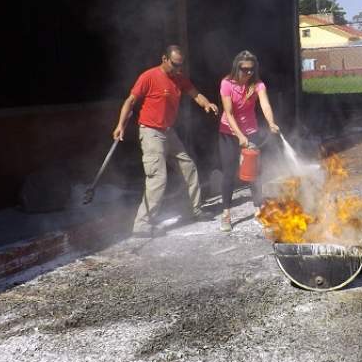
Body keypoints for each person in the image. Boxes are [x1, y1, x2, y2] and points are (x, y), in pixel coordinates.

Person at [113, 45, 219, 237]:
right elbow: (130, 101)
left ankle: (193, 210)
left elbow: (195, 94)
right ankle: (142, 224)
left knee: (189, 167)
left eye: (181, 65)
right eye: (175, 64)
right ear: (164, 59)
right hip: (151, 132)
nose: (179, 68)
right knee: (157, 177)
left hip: (169, 132)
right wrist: (120, 125)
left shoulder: (179, 78)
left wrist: (207, 104)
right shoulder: (149, 76)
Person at [217, 50, 279, 232]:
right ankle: (226, 215)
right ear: (237, 67)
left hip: (251, 131)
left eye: (251, 70)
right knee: (229, 173)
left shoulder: (257, 84)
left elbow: (265, 104)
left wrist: (271, 122)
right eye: (244, 70)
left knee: (255, 173)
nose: (248, 73)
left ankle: (258, 210)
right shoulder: (226, 83)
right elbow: (228, 113)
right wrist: (240, 136)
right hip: (228, 132)